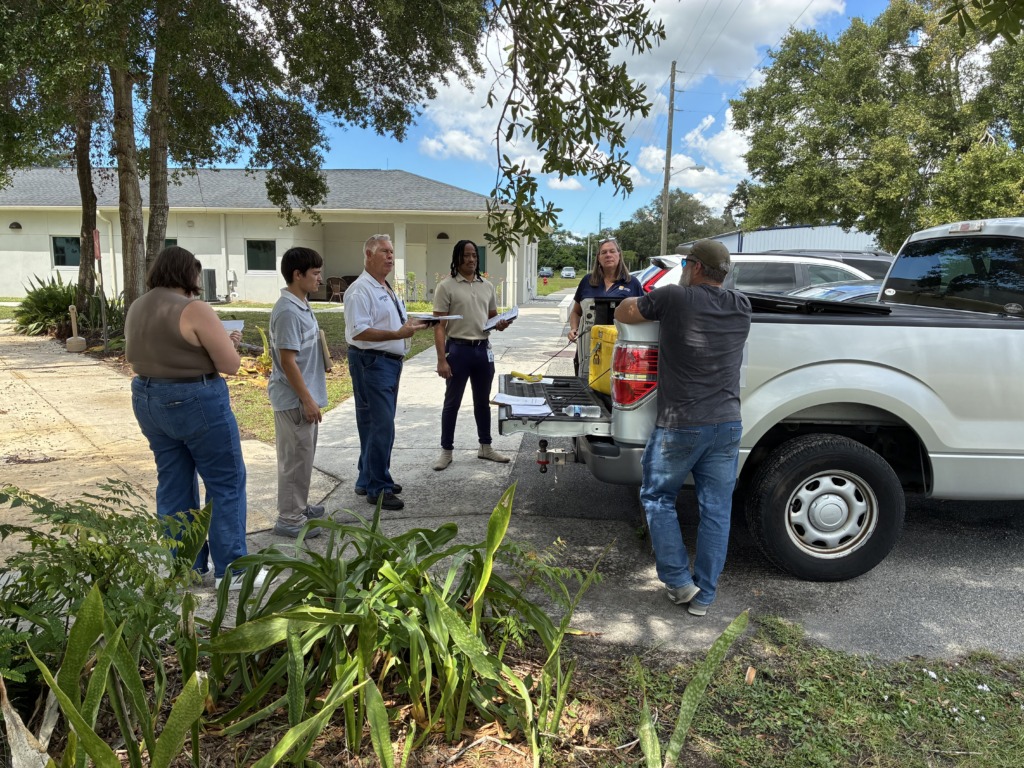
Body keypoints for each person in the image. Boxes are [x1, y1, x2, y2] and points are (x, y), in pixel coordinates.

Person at [614, 240, 751, 616]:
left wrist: (643, 295)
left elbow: (627, 313)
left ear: (692, 266)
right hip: (727, 425)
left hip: (681, 426)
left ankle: (678, 583)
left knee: (658, 498)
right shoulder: (742, 305)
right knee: (716, 511)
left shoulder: (674, 297)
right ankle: (705, 597)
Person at [125, 246, 263, 591]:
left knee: (173, 482)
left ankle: (184, 567)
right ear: (188, 274)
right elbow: (229, 364)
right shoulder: (194, 308)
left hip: (147, 397)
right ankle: (231, 569)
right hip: (195, 399)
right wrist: (230, 343)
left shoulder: (138, 306)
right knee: (225, 482)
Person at [344, 234, 428, 511]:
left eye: (392, 252)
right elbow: (359, 331)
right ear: (368, 254)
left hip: (388, 362)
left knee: (375, 424)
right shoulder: (360, 290)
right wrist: (396, 333)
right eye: (384, 251)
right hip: (372, 362)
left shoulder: (385, 287)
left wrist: (412, 325)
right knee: (381, 425)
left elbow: (394, 321)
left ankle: (367, 478)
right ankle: (379, 488)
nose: (390, 256)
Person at [432, 239, 513, 471]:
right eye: (466, 255)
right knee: (452, 403)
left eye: (474, 256)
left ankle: (485, 447)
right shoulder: (446, 286)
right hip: (457, 350)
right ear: (457, 258)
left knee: (482, 402)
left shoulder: (486, 286)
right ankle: (446, 451)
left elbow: (491, 317)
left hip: (482, 350)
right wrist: (441, 359)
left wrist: (500, 324)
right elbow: (438, 325)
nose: (471, 259)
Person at [268, 247, 329, 539]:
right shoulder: (288, 311)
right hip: (294, 400)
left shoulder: (301, 304)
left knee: (303, 457)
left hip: (305, 397)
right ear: (297, 275)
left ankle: (299, 507)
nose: (320, 279)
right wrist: (306, 399)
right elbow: (287, 361)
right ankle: (289, 519)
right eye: (315, 273)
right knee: (294, 461)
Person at [565, 237, 643, 346]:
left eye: (612, 251)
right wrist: (574, 328)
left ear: (619, 255)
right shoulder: (587, 281)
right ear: (598, 258)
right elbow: (576, 312)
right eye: (604, 252)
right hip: (588, 346)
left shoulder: (632, 283)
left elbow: (641, 316)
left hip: (621, 346)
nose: (608, 255)